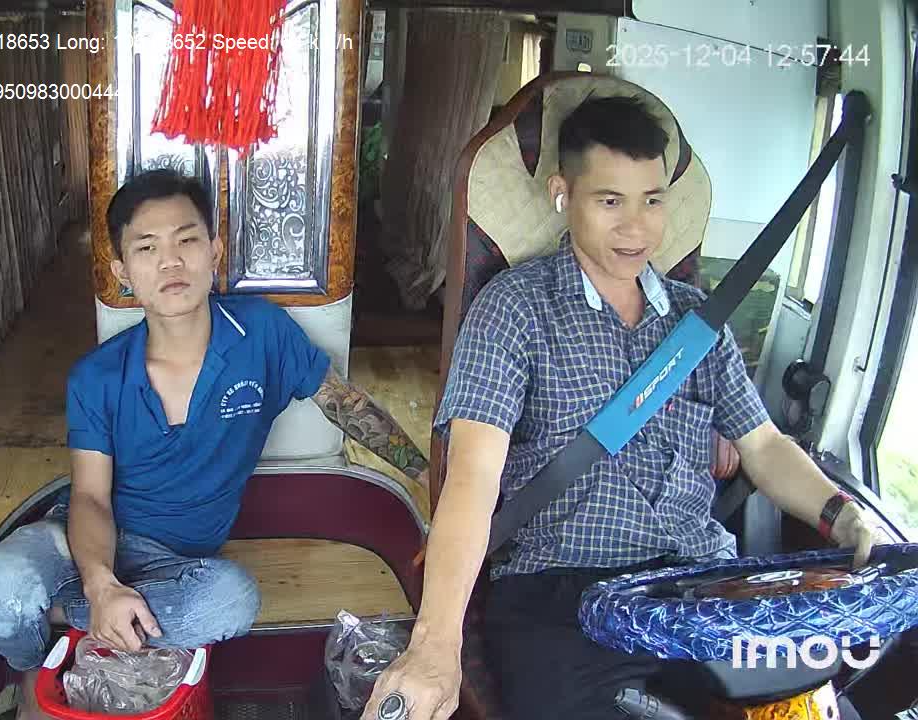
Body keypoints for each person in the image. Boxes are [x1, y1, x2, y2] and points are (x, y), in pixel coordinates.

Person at [361, 96, 886, 720]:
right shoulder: (515, 308)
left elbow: (765, 446)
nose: (636, 229)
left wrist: (841, 515)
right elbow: (473, 477)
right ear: (563, 194)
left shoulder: (699, 323)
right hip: (563, 597)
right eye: (611, 201)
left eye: (652, 201)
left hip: (701, 585)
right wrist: (435, 643)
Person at [0, 169, 430, 719]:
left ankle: (54, 614)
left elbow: (347, 406)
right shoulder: (97, 376)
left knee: (232, 599)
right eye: (147, 248)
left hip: (179, 563)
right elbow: (91, 498)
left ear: (214, 252)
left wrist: (427, 475)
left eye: (186, 240)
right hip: (81, 540)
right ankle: (34, 666)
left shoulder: (261, 334)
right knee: (0, 589)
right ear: (124, 272)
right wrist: (99, 584)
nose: (170, 262)